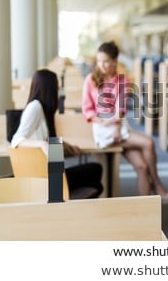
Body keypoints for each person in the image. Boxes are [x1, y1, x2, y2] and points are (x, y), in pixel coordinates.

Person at [82, 41, 168, 203]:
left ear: (115, 61)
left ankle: (143, 211)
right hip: (102, 130)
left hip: (119, 128)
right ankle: (158, 184)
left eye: (106, 61)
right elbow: (87, 108)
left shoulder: (122, 80)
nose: (101, 65)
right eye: (99, 61)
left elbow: (120, 108)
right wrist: (101, 120)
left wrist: (116, 125)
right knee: (149, 143)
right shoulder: (91, 80)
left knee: (142, 167)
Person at [11, 69, 104, 198]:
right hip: (44, 180)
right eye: (56, 85)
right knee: (96, 170)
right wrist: (42, 144)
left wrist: (68, 147)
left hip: (48, 175)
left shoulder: (42, 109)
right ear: (49, 87)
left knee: (96, 182)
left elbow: (48, 139)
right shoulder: (35, 107)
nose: (59, 88)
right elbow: (16, 140)